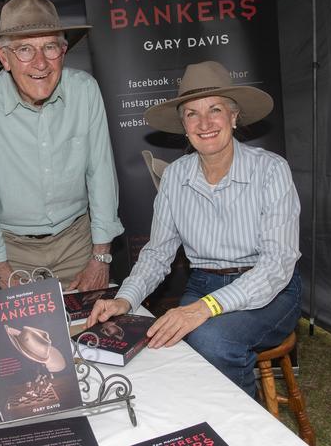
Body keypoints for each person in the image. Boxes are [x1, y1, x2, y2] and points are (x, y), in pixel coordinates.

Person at [87, 61, 302, 399]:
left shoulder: (271, 170)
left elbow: (277, 265)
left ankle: (242, 427)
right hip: (204, 281)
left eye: (215, 109)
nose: (204, 123)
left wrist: (205, 308)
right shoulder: (175, 177)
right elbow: (157, 254)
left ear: (234, 117)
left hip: (271, 291)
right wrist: (124, 299)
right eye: (192, 114)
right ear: (183, 125)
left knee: (212, 339)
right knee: (165, 344)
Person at [0, 0, 123, 290]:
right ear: (3, 57)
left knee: (89, 333)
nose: (40, 63)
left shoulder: (84, 90)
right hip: (10, 250)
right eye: (24, 49)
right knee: (24, 336)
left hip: (78, 244)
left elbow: (101, 174)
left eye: (49, 47)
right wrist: (0, 269)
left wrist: (101, 257)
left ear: (63, 51)